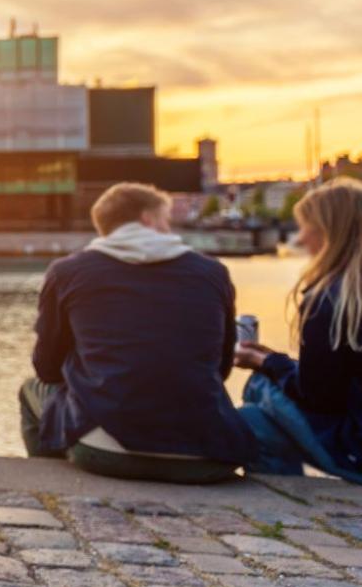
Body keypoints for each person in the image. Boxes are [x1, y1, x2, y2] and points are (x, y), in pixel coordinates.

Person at [20, 182, 251, 483]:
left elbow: (47, 369)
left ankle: (52, 493)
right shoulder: (212, 272)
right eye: (166, 220)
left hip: (105, 452)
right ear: (148, 219)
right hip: (208, 456)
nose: (169, 229)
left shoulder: (68, 272)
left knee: (29, 390)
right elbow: (220, 369)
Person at [235, 178, 362, 481]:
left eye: (305, 226)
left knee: (254, 406)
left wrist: (264, 363)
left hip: (355, 451)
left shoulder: (330, 298)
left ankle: (283, 498)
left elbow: (319, 398)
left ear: (328, 232)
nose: (301, 238)